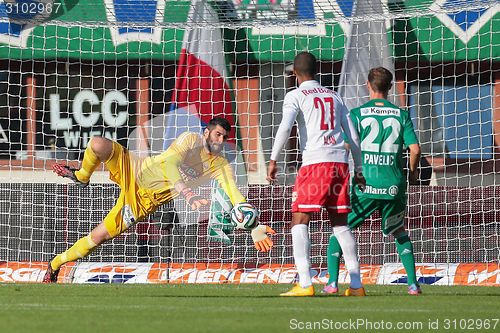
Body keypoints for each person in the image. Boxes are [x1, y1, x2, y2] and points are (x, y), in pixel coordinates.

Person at [43, 117, 275, 283]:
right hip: (136, 168)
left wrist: (253, 227)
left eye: (224, 137)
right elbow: (170, 165)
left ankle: (54, 265)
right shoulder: (190, 139)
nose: (220, 140)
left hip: (142, 201)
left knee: (98, 236)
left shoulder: (221, 165)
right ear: (206, 133)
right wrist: (186, 192)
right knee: (97, 143)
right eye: (217, 134)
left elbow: (234, 194)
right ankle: (82, 176)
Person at [267, 52, 366, 297]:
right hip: (340, 165)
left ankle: (305, 283)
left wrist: (273, 159)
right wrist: (360, 169)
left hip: (315, 164)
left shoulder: (296, 94)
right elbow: (353, 136)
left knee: (299, 220)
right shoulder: (335, 96)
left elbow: (285, 126)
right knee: (340, 225)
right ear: (316, 71)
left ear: (295, 73)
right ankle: (356, 285)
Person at [323, 67, 422, 295]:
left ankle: (332, 283)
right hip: (394, 185)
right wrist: (413, 174)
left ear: (368, 85)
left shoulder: (357, 114)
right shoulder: (402, 114)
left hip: (364, 184)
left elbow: (346, 147)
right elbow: (415, 149)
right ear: (389, 87)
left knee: (340, 230)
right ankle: (413, 285)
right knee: (399, 232)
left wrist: (338, 173)